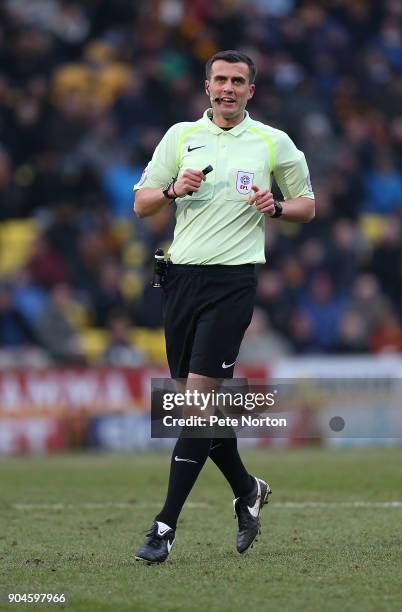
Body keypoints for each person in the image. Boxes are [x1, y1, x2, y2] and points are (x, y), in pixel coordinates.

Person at [133, 50, 315, 564]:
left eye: (238, 81)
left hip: (232, 285)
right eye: (220, 80)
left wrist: (276, 207)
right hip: (179, 282)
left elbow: (308, 204)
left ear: (251, 90)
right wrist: (172, 190)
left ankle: (164, 526)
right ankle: (247, 487)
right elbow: (141, 202)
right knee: (199, 407)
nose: (228, 88)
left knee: (194, 403)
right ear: (207, 86)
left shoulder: (272, 142)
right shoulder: (180, 136)